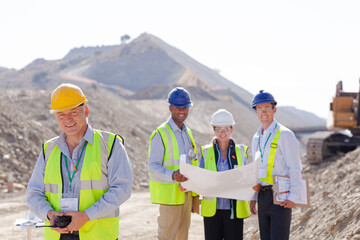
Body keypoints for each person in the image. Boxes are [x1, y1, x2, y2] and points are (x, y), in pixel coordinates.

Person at [26, 83, 133, 240]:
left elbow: (122, 188)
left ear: (86, 111)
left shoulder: (110, 144)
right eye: (61, 114)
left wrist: (86, 216)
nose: (67, 119)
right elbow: (33, 193)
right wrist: (49, 214)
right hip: (58, 236)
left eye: (73, 112)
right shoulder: (48, 149)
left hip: (98, 235)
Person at [250, 90, 303, 240]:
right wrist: (253, 197)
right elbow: (255, 169)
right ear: (256, 112)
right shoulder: (256, 138)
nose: (263, 112)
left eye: (267, 108)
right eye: (259, 109)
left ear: (274, 109)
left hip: (281, 196)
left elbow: (295, 167)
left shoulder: (285, 134)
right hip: (262, 195)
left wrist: (294, 196)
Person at [148, 87, 198, 240]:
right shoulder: (160, 134)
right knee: (166, 237)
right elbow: (152, 166)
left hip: (186, 196)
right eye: (178, 107)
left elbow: (193, 162)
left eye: (185, 107)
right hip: (170, 199)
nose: (182, 111)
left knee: (182, 237)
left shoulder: (188, 133)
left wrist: (195, 194)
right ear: (170, 108)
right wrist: (172, 175)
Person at [199, 109, 250, 240]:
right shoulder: (205, 152)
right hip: (212, 210)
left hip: (233, 210)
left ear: (231, 129)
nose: (222, 132)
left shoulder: (241, 151)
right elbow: (199, 178)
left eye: (226, 128)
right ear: (214, 130)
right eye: (218, 129)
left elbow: (247, 179)